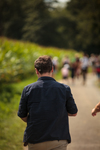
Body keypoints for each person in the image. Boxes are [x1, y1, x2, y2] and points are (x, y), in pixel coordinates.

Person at [17, 55, 78, 150]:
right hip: (59, 139)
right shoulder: (64, 89)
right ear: (52, 69)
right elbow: (74, 112)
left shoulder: (27, 89)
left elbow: (22, 115)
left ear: (36, 70)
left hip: (35, 139)